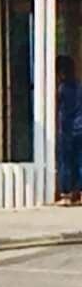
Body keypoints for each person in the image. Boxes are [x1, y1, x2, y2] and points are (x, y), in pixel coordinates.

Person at [58, 57, 82, 205]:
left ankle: (66, 194)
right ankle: (79, 192)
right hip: (80, 129)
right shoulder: (79, 87)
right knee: (80, 161)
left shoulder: (62, 89)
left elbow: (60, 109)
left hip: (68, 130)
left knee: (66, 162)